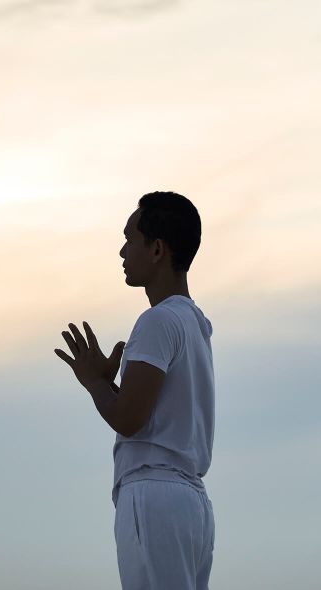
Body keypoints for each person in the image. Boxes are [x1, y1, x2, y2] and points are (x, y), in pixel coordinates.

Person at [54, 191, 215, 589]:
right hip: (190, 501)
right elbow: (146, 410)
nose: (123, 251)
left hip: (154, 496)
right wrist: (110, 384)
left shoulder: (157, 322)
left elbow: (129, 418)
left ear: (157, 249)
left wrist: (94, 382)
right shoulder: (194, 322)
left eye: (130, 239)